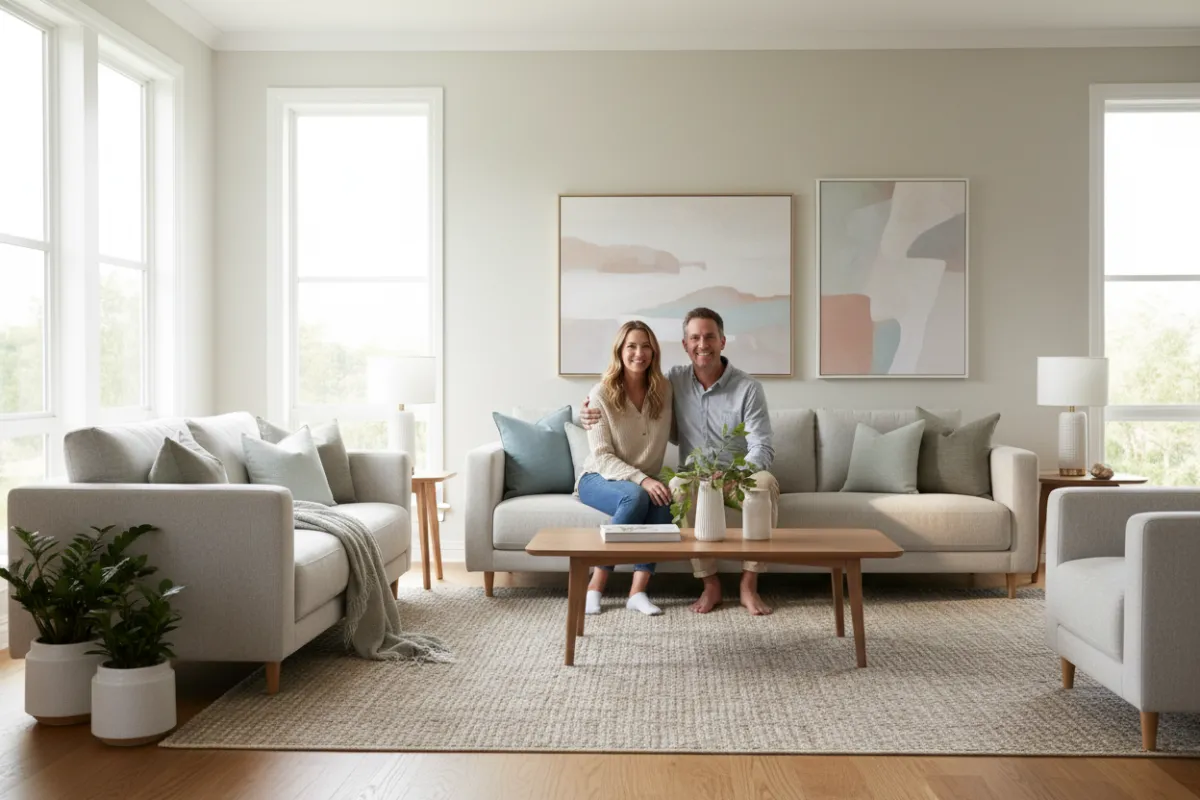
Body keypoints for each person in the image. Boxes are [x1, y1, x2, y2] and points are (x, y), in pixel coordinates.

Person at [583, 307, 779, 616]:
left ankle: (748, 585)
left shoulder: (742, 388)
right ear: (685, 345)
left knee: (764, 485)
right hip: (648, 476)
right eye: (695, 338)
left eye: (710, 337)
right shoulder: (667, 382)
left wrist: (735, 473)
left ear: (723, 341)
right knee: (673, 487)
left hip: (736, 476)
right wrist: (587, 413)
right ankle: (709, 583)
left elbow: (762, 447)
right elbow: (606, 445)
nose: (703, 344)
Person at [576, 320, 675, 616]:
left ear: (654, 352)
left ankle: (638, 592)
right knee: (637, 495)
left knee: (663, 498)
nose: (639, 353)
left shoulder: (665, 390)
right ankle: (595, 585)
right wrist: (643, 480)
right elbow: (602, 456)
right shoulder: (601, 394)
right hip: (597, 477)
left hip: (639, 481)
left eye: (646, 346)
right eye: (631, 346)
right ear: (619, 351)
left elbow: (682, 430)